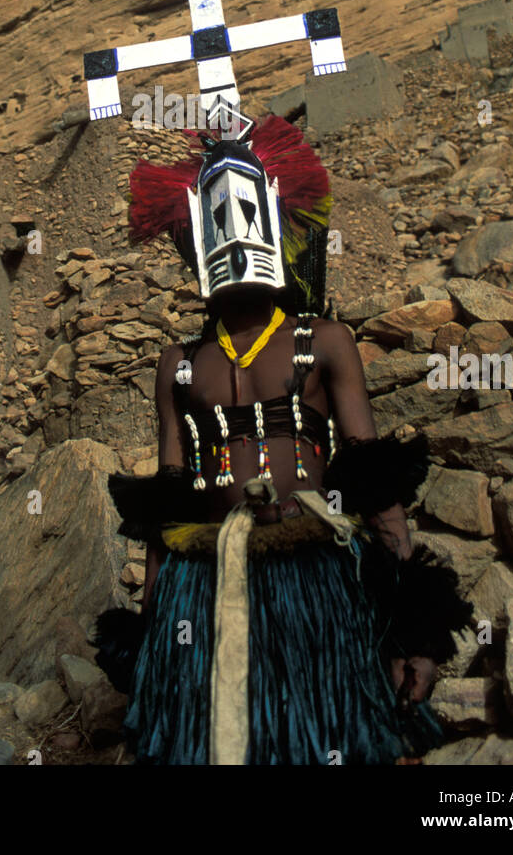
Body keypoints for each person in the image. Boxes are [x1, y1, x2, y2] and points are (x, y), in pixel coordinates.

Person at [96, 116, 469, 765]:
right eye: (215, 216)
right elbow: (170, 505)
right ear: (191, 236)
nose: (232, 231)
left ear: (275, 217)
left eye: (244, 206)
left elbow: (373, 480)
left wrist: (412, 629)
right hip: (205, 584)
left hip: (314, 572)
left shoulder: (323, 342)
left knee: (329, 737)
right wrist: (153, 632)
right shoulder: (176, 366)